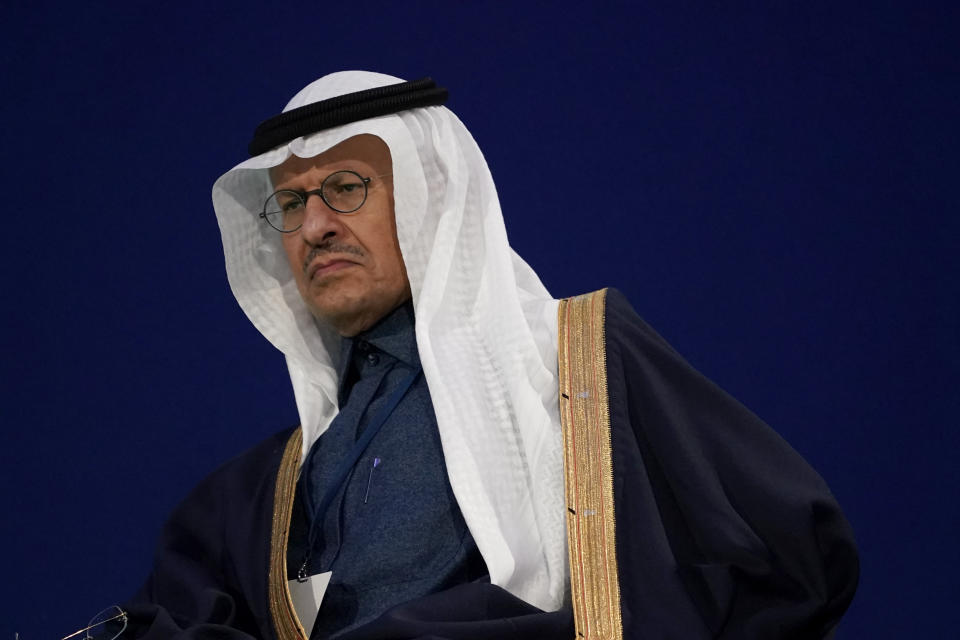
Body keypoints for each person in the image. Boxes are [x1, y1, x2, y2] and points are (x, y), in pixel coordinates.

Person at [123, 72, 859, 639]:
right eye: (291, 203)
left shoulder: (580, 366)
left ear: (430, 193)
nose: (313, 226)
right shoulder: (264, 491)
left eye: (345, 188)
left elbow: (793, 555)